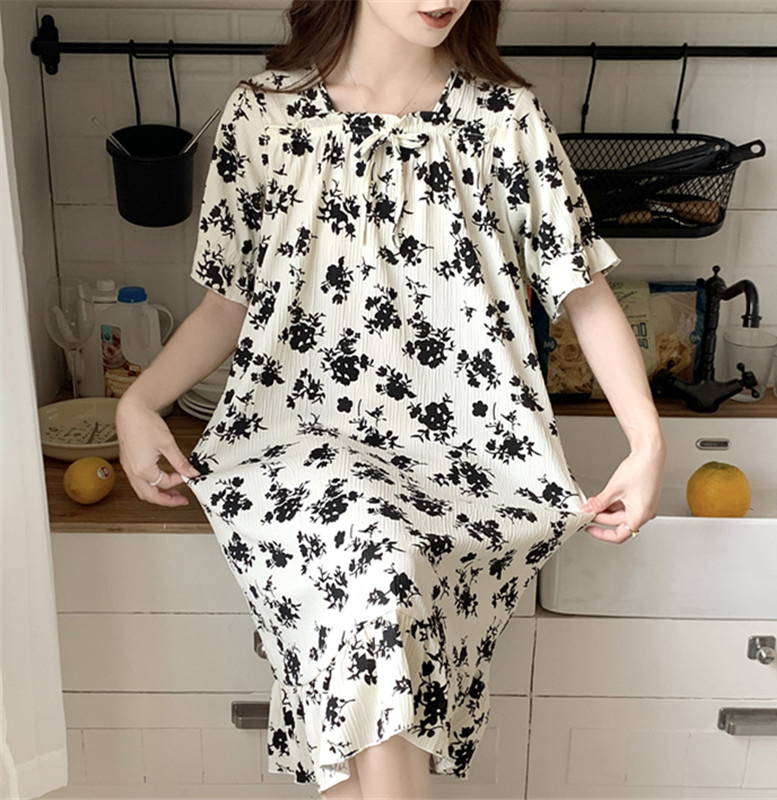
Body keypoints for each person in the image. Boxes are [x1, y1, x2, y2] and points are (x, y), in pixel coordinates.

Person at [116, 1, 667, 798]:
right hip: (293, 442)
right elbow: (228, 303)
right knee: (379, 569)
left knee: (376, 624)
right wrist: (138, 404)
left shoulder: (504, 119)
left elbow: (581, 288)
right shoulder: (263, 115)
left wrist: (647, 444)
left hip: (467, 457)